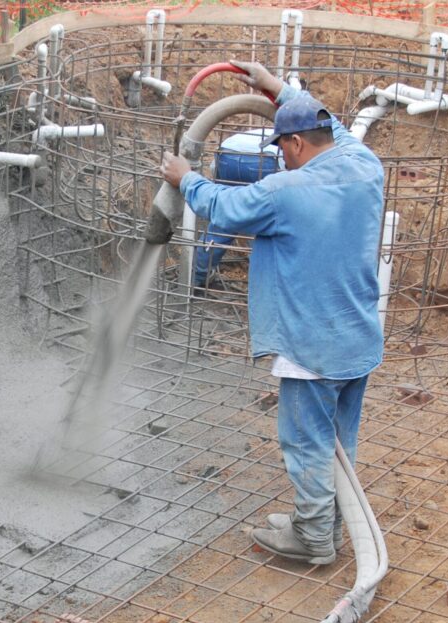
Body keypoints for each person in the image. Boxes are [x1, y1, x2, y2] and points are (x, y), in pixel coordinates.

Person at [159, 60, 385, 565]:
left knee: (305, 442)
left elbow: (225, 207)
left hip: (311, 344)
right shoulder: (365, 164)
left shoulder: (288, 192)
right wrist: (279, 91)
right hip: (357, 337)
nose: (280, 157)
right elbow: (339, 128)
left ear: (297, 144)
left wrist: (186, 177)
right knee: (338, 444)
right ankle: (327, 522)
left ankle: (312, 539)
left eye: (281, 147)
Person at [193, 129, 280, 293]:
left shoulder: (276, 131)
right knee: (266, 222)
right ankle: (264, 285)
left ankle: (198, 276)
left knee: (224, 219)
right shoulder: (313, 145)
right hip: (265, 160)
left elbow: (214, 170)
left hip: (226, 154)